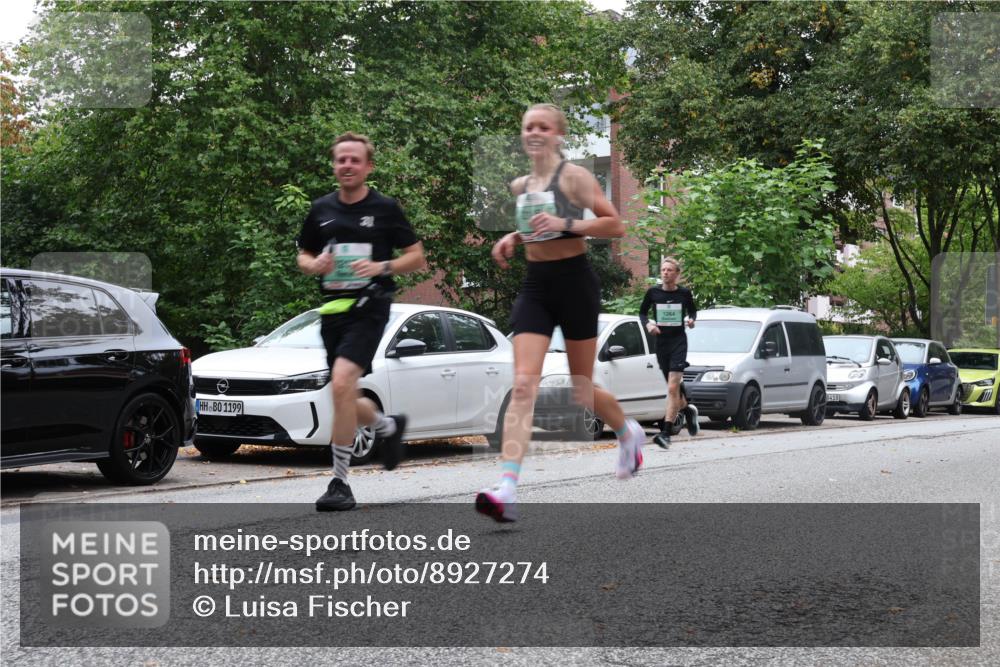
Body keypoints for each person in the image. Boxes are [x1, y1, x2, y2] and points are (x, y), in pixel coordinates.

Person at [477, 103, 645, 523]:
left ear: (558, 135)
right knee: (522, 386)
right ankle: (508, 489)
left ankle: (628, 433)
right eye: (528, 127)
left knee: (581, 390)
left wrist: (567, 223)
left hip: (575, 283)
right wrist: (513, 237)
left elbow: (615, 225)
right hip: (536, 285)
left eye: (543, 127)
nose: (534, 132)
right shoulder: (521, 185)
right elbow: (537, 226)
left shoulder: (575, 177)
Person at [297, 132, 426, 511]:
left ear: (368, 166)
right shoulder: (321, 209)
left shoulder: (385, 208)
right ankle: (387, 427)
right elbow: (302, 255)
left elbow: (416, 257)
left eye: (355, 160)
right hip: (332, 312)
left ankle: (339, 483)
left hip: (370, 307)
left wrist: (381, 266)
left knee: (339, 384)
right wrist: (314, 264)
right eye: (341, 160)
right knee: (344, 393)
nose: (347, 166)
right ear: (334, 165)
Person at [639, 257, 699, 449]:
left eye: (669, 270)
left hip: (678, 342)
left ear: (677, 274)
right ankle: (687, 409)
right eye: (663, 270)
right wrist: (648, 324)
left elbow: (693, 312)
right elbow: (642, 313)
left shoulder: (684, 293)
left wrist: (690, 320)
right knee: (673, 389)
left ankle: (665, 433)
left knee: (672, 388)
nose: (665, 273)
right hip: (661, 343)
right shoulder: (653, 293)